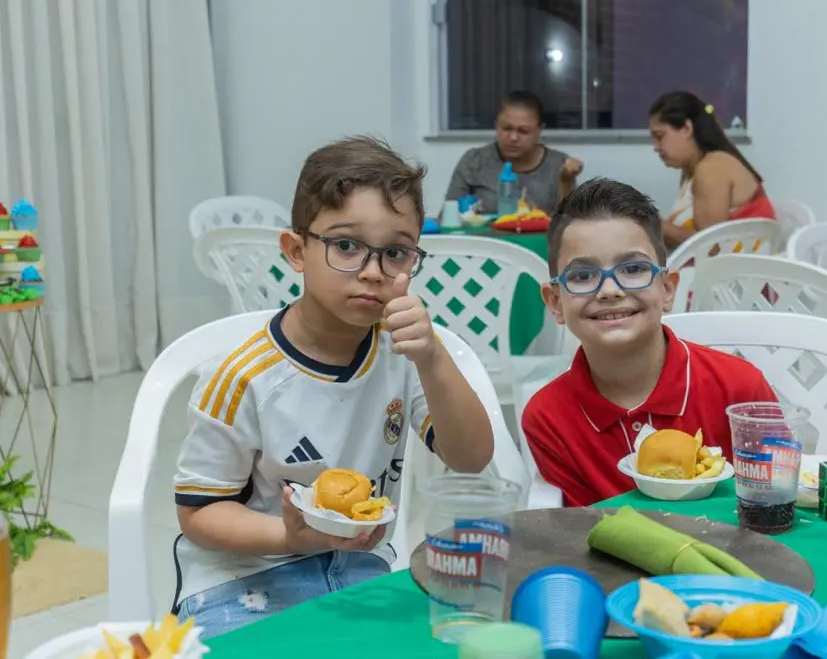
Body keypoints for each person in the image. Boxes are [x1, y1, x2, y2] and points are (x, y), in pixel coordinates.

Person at [173, 137, 494, 635]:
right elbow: (199, 513)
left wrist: (433, 357)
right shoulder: (241, 377)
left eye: (395, 253)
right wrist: (292, 537)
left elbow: (472, 457)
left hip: (359, 569)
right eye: (346, 246)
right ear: (296, 251)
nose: (373, 272)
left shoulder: (404, 356)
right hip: (242, 577)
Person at [521, 178, 776, 508]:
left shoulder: (740, 389)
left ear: (667, 288)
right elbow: (576, 529)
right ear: (555, 302)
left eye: (633, 268)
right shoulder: (548, 417)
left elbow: (779, 503)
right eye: (582, 276)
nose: (610, 290)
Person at [649, 91, 776, 251]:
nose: (656, 147)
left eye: (660, 136)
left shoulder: (712, 169)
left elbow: (711, 248)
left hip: (740, 266)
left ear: (687, 128)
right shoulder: (693, 170)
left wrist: (657, 225)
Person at [446, 90, 584, 213]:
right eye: (506, 128)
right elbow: (449, 215)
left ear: (539, 130)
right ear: (496, 125)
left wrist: (566, 181)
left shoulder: (559, 164)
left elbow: (571, 222)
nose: (513, 138)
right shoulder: (474, 161)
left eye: (523, 131)